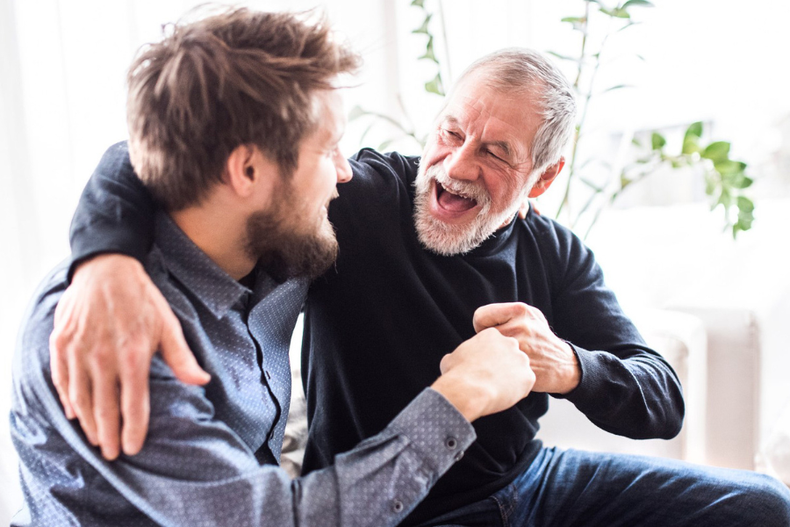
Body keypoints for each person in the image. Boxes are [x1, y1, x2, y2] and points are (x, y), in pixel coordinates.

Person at [49, 39, 790, 527]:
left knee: (763, 505)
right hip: (387, 504)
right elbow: (152, 151)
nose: (458, 163)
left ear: (545, 177)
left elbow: (661, 398)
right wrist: (104, 260)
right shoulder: (357, 198)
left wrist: (564, 364)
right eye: (450, 130)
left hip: (530, 482)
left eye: (496, 151)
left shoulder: (557, 254)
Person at [9, 8, 539, 526]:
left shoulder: (272, 237)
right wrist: (461, 395)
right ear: (246, 170)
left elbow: (137, 152)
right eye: (328, 148)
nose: (344, 172)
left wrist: (106, 254)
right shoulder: (112, 338)